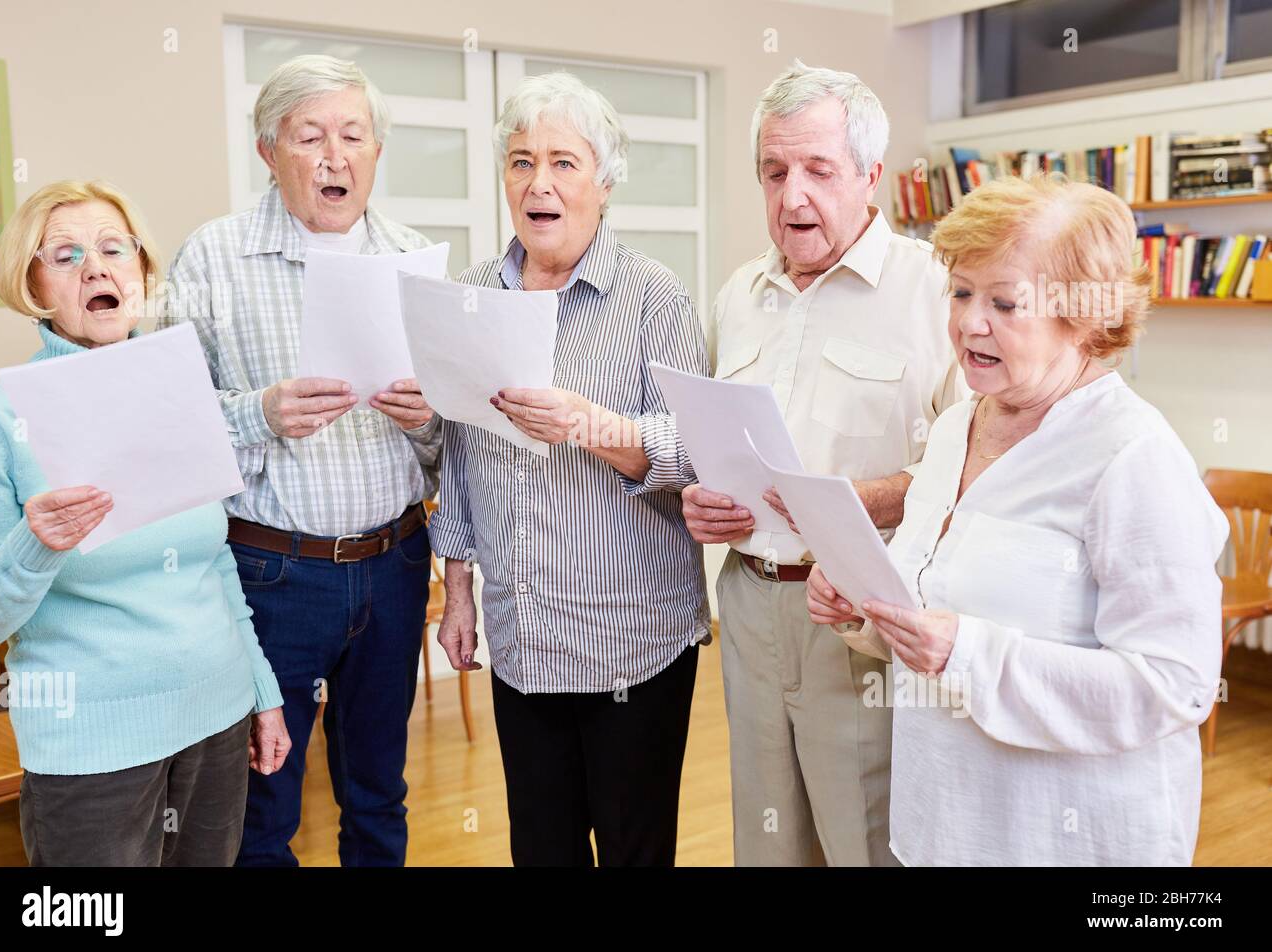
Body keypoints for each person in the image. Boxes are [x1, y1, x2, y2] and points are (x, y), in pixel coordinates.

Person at [808, 174, 1227, 865]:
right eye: (962, 292)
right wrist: (866, 607)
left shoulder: (1134, 457)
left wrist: (967, 654)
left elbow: (1172, 686)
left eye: (1005, 302)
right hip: (947, 825)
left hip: (1071, 840)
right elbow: (933, 614)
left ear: (1085, 316)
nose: (971, 322)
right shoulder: (955, 430)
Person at [681, 61, 964, 866]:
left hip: (859, 616)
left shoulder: (937, 293)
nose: (791, 196)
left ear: (871, 176)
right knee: (765, 842)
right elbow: (715, 443)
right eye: (774, 171)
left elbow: (969, 477)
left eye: (818, 170)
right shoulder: (739, 294)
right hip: (746, 601)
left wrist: (855, 502)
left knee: (863, 839)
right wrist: (701, 499)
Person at [159, 55, 437, 867]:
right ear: (267, 150)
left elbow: (447, 447)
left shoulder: (416, 260)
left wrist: (427, 420)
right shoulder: (211, 259)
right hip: (272, 577)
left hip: (394, 566)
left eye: (353, 135)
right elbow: (166, 432)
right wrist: (262, 413)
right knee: (263, 808)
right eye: (309, 136)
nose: (333, 156)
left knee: (379, 794)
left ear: (376, 150)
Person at [429, 72, 710, 867]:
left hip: (634, 640)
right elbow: (459, 451)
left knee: (633, 847)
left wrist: (588, 424)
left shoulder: (656, 296)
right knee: (541, 849)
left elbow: (694, 452)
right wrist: (457, 592)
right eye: (520, 162)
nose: (538, 182)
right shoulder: (473, 295)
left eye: (563, 162)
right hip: (525, 636)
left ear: (605, 182)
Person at [0, 180, 287, 866]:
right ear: (31, 284)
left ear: (142, 272)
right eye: (66, 255)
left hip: (216, 717)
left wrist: (262, 692)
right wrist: (37, 543)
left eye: (116, 248)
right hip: (93, 744)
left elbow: (215, 562)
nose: (97, 267)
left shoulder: (181, 387)